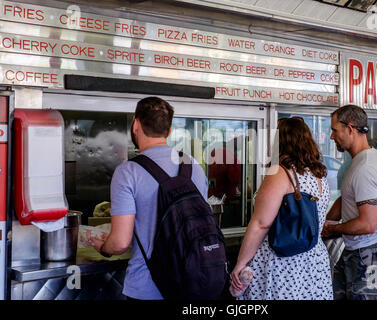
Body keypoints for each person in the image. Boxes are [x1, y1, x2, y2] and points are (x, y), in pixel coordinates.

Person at [87, 97, 209, 300]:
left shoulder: (128, 172)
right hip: (192, 281)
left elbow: (120, 243)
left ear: (135, 125)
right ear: (169, 131)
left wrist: (102, 247)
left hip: (147, 287)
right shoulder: (193, 166)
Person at [231, 117, 333, 300]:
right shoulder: (319, 175)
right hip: (314, 260)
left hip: (283, 263)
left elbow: (261, 224)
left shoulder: (280, 172)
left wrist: (241, 262)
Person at [322, 104, 377, 300]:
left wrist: (334, 228)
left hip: (372, 254)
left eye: (334, 130)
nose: (332, 136)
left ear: (350, 128)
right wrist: (326, 221)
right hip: (356, 250)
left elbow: (367, 224)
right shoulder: (367, 157)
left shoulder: (366, 167)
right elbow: (347, 197)